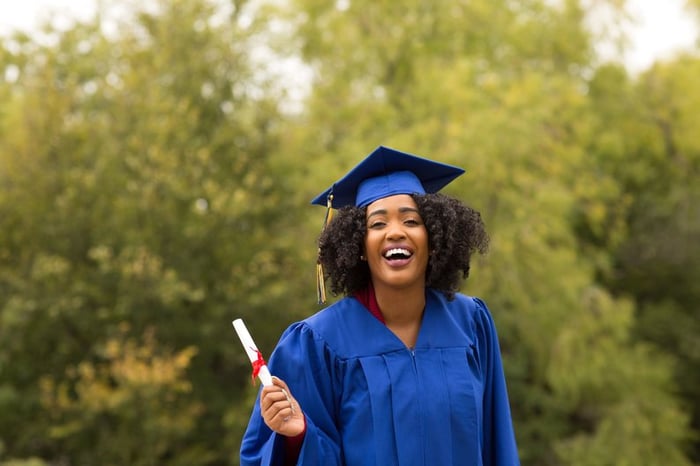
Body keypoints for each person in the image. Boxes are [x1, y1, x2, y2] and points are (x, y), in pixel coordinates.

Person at [240, 146, 520, 465]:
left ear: (434, 237)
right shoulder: (316, 344)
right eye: (377, 224)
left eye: (411, 220)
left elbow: (498, 444)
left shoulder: (471, 324)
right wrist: (298, 437)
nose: (395, 232)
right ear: (358, 245)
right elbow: (266, 453)